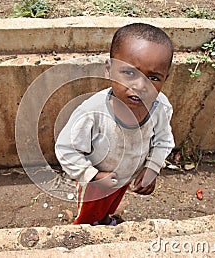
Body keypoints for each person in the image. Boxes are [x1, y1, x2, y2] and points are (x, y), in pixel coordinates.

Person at [55, 23, 175, 225]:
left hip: (124, 177)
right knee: (89, 212)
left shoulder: (161, 107)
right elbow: (66, 148)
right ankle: (87, 229)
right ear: (109, 70)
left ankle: (105, 218)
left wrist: (152, 168)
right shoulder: (92, 112)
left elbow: (164, 140)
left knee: (112, 203)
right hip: (96, 182)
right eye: (129, 73)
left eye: (153, 78)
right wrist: (92, 175)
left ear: (165, 79)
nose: (140, 86)